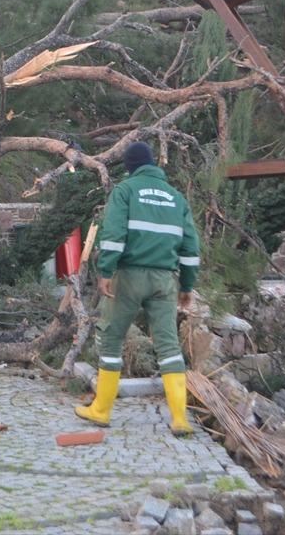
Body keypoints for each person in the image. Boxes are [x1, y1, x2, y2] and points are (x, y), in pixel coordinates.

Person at [75, 141, 201, 436]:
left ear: (130, 166)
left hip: (128, 277)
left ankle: (102, 410)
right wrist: (187, 284)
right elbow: (191, 246)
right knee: (168, 346)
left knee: (112, 339)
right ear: (154, 164)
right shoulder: (176, 197)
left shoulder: (126, 191)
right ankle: (180, 418)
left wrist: (106, 271)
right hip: (165, 279)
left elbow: (114, 234)